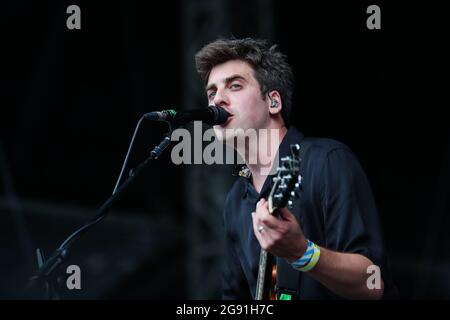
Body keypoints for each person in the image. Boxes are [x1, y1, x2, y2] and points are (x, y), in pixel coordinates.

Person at [195, 38, 396, 299]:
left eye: (234, 86)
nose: (217, 100)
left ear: (274, 102)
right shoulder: (236, 199)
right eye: (211, 93)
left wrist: (303, 253)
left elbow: (374, 284)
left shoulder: (327, 161)